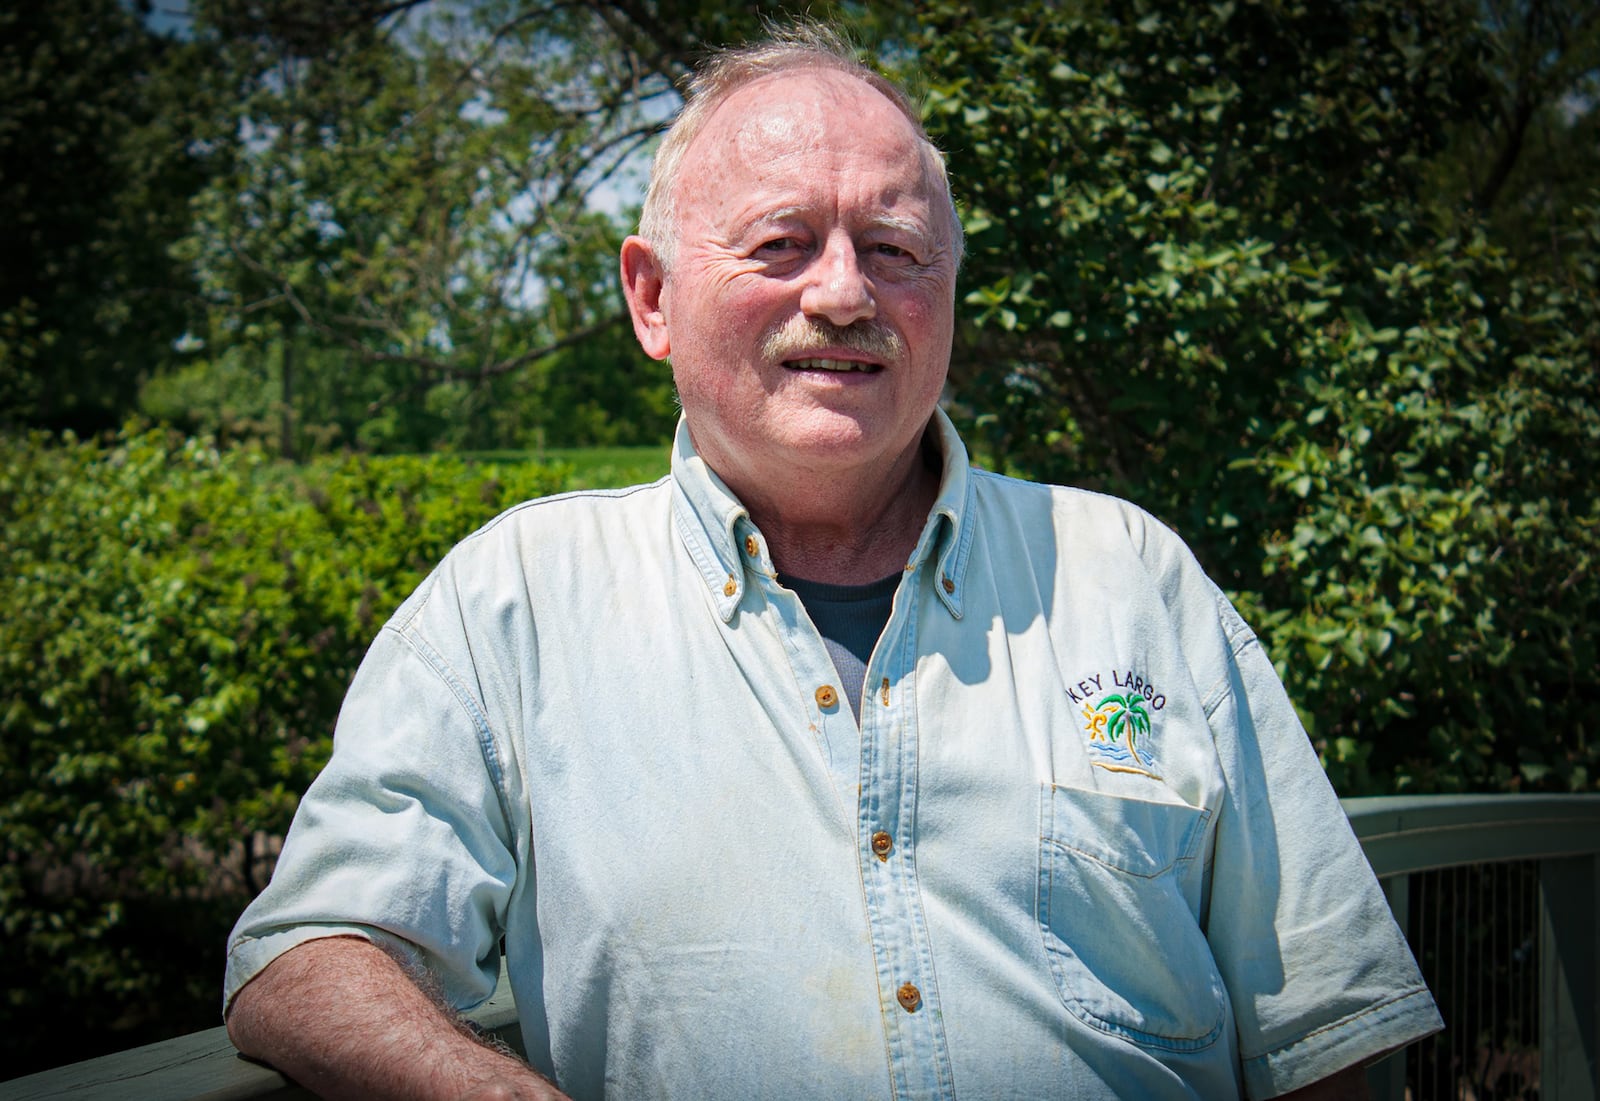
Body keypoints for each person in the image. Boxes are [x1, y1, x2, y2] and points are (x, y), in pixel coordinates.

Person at [223, 22, 1442, 1100]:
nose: (846, 292)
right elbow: (308, 955)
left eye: (896, 248)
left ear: (948, 292)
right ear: (651, 301)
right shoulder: (514, 605)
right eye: (781, 243)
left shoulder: (1129, 576)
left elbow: (1325, 1029)